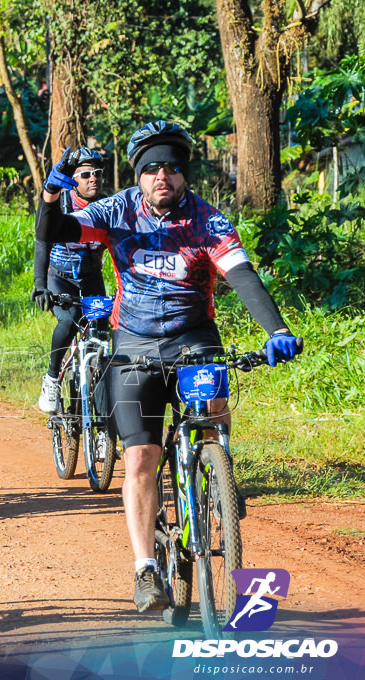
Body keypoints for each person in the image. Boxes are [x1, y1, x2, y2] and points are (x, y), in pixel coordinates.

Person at [35, 120, 303, 613]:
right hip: (134, 344)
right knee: (139, 458)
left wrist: (276, 330)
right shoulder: (116, 210)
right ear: (139, 175)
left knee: (213, 412)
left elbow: (243, 276)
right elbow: (52, 232)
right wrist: (52, 194)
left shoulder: (208, 220)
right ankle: (145, 571)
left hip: (193, 337)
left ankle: (218, 472)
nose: (164, 176)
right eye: (153, 167)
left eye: (174, 168)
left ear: (185, 175)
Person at [32, 147, 109, 412]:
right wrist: (40, 285)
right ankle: (52, 379)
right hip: (60, 280)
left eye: (97, 173)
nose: (93, 179)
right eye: (85, 174)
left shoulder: (108, 207)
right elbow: (42, 243)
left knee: (104, 336)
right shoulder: (59, 205)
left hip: (92, 280)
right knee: (70, 319)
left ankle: (103, 416)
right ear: (72, 179)